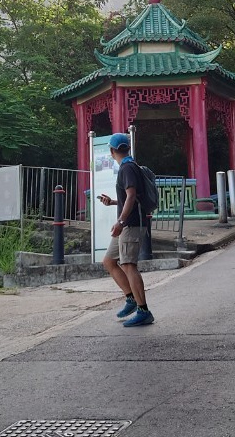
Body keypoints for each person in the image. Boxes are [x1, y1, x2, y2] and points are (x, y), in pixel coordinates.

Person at [98, 132, 154, 327]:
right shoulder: (130, 166)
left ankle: (143, 311)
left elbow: (131, 196)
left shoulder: (127, 168)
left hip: (130, 224)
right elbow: (130, 198)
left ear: (112, 150)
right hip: (127, 223)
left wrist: (120, 221)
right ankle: (131, 298)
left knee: (129, 265)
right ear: (127, 148)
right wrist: (113, 202)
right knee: (109, 261)